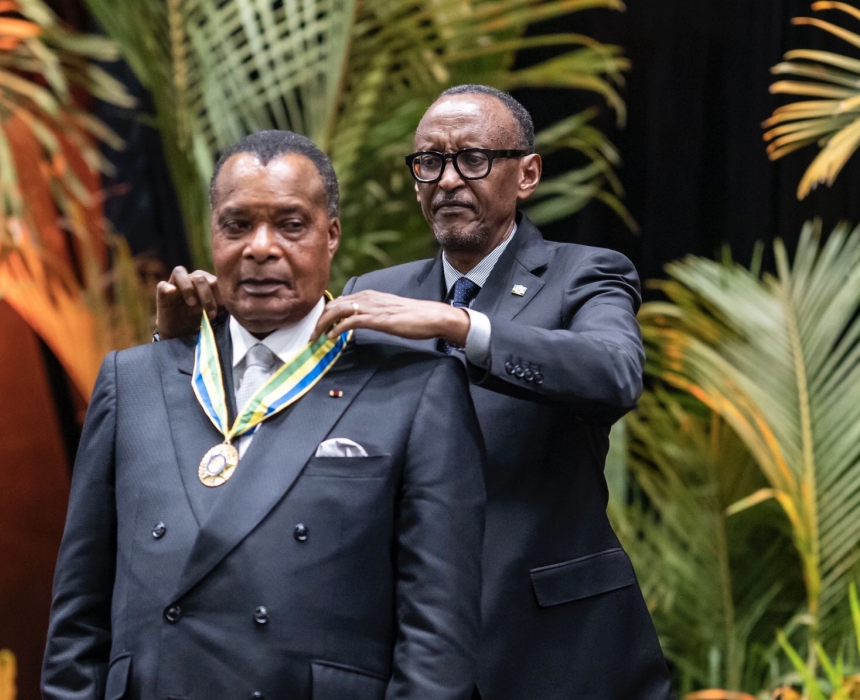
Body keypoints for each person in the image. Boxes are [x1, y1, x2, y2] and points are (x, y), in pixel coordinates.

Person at [156, 86, 672, 699]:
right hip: (408, 651)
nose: (448, 179)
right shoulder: (372, 291)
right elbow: (273, 414)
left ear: (527, 173)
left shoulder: (584, 273)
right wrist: (184, 344)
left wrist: (459, 325)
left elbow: (613, 372)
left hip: (558, 647)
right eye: (430, 161)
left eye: (473, 158)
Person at [44, 130, 486, 700]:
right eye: (237, 225)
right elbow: (76, 619)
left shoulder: (415, 387)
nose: (260, 248)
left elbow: (437, 643)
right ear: (212, 236)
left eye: (290, 225)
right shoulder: (131, 380)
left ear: (331, 237)